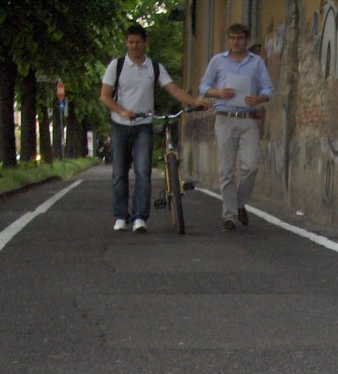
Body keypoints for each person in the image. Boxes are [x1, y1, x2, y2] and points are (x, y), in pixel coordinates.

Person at [99, 23, 208, 233]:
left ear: (145, 43)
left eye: (138, 42)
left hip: (143, 126)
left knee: (142, 172)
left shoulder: (154, 67)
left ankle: (140, 217)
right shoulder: (117, 66)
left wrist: (195, 102)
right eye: (130, 42)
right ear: (126, 43)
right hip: (120, 126)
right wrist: (122, 111)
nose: (134, 46)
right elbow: (104, 96)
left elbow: (173, 89)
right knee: (119, 174)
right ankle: (121, 216)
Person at [198, 23, 274, 231]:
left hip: (248, 117)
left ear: (247, 40)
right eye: (232, 38)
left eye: (239, 38)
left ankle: (239, 203)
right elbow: (203, 87)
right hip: (224, 117)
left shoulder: (256, 63)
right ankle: (229, 216)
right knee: (227, 169)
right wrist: (219, 93)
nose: (235, 42)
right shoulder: (218, 61)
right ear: (228, 39)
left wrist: (258, 98)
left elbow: (269, 88)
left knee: (251, 166)